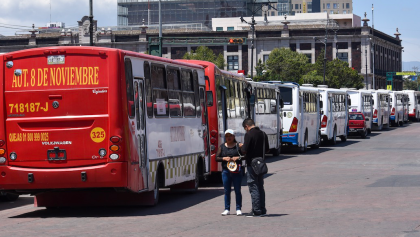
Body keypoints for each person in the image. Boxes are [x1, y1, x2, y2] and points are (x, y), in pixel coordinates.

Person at [241, 118, 269, 217]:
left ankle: (256, 210)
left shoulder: (249, 135)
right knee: (260, 186)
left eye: (245, 128)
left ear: (246, 126)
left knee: (253, 186)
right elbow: (267, 149)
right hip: (261, 163)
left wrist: (241, 146)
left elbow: (244, 150)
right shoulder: (263, 134)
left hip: (251, 164)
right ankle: (262, 209)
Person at [216, 129, 243, 216]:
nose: (229, 138)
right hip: (226, 171)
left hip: (236, 171)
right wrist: (224, 158)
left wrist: (237, 158)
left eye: (230, 136)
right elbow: (217, 158)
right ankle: (227, 209)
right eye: (227, 136)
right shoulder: (222, 146)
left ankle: (238, 208)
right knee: (227, 191)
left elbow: (244, 156)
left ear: (234, 136)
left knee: (237, 190)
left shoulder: (238, 146)